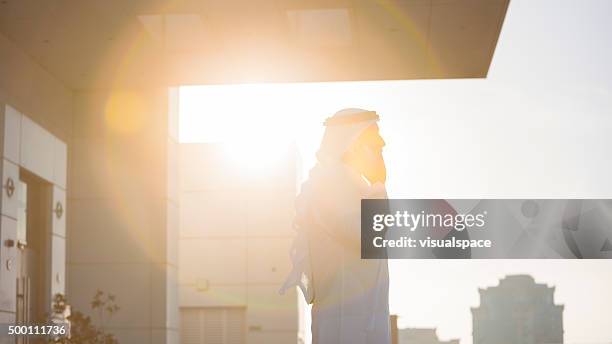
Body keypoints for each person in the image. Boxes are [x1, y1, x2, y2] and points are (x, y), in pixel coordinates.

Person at [280, 108, 390, 344]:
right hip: (344, 328)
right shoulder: (329, 185)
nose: (382, 143)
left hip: (361, 327)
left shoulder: (356, 187)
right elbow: (369, 234)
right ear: (352, 143)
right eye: (374, 136)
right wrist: (379, 183)